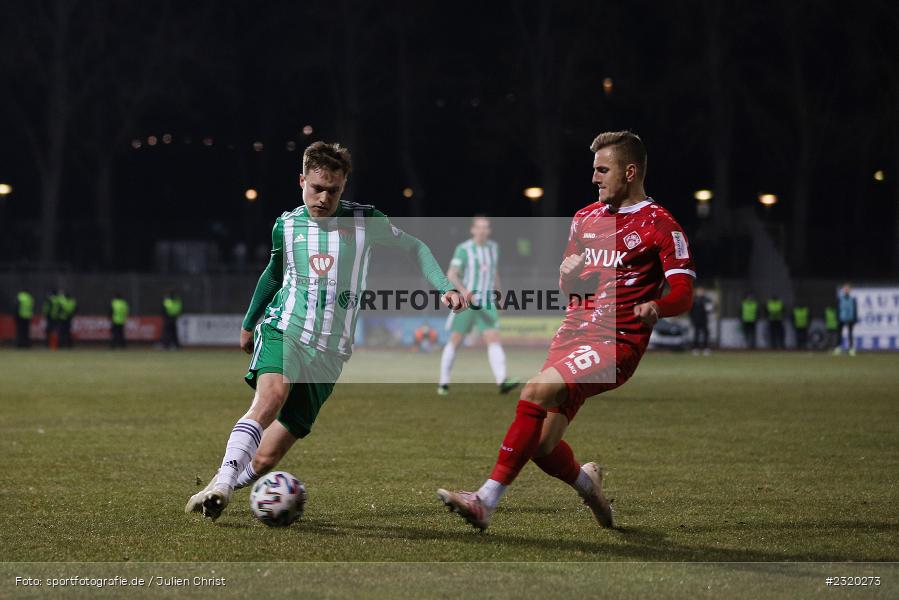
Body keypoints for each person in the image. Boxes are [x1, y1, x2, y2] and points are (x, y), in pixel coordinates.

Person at [185, 141, 466, 521]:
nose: (323, 197)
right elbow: (273, 274)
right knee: (271, 399)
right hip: (286, 328)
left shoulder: (367, 221)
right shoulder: (286, 225)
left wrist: (444, 286)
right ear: (302, 181)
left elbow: (415, 247)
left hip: (331, 353)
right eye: (317, 187)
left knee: (269, 455)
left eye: (333, 190)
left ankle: (221, 486)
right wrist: (250, 321)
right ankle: (221, 483)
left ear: (343, 187)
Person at [436, 130, 695, 531]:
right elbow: (571, 287)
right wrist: (568, 277)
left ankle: (484, 500)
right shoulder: (584, 219)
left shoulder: (660, 225)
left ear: (630, 172)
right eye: (594, 170)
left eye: (602, 170)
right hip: (572, 335)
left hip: (615, 343)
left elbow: (684, 291)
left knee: (534, 390)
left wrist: (658, 306)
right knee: (541, 445)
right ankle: (588, 485)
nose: (594, 178)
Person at [437, 215, 519, 396]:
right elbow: (452, 274)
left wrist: (499, 295)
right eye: (479, 227)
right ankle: (443, 383)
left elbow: (494, 272)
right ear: (472, 229)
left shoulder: (493, 248)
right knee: (456, 341)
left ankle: (502, 380)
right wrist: (464, 291)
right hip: (467, 303)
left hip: (487, 301)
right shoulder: (464, 249)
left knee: (494, 338)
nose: (482, 230)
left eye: (486, 227)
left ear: (489, 230)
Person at [835, 283, 858, 356]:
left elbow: (855, 309)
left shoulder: (852, 299)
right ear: (843, 290)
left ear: (850, 290)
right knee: (839, 334)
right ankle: (838, 348)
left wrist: (855, 318)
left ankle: (851, 349)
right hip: (842, 318)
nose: (846, 290)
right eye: (845, 289)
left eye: (848, 289)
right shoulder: (840, 298)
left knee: (850, 334)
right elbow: (838, 309)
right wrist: (837, 317)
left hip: (850, 318)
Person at [689, 286, 712, 355]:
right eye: (700, 291)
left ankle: (706, 348)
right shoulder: (694, 300)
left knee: (706, 334)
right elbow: (690, 311)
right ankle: (695, 348)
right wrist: (692, 319)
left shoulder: (706, 300)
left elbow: (710, 310)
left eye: (702, 291)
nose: (701, 292)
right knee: (696, 334)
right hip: (696, 320)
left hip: (704, 320)